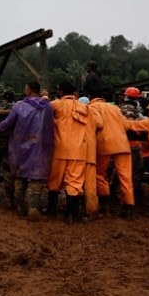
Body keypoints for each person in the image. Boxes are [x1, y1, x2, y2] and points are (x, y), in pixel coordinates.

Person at [0, 81, 54, 221]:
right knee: (36, 179)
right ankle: (33, 208)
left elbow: (5, 125)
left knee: (20, 177)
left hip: (20, 148)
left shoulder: (19, 106)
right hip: (41, 148)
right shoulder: (49, 107)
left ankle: (20, 207)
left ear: (29, 90)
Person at [47, 81, 96, 223]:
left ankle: (51, 211)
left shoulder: (55, 104)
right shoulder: (85, 108)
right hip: (79, 152)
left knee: (54, 181)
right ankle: (72, 215)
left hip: (59, 150)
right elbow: (93, 128)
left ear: (61, 92)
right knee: (74, 183)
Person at [87, 86, 136, 217]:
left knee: (100, 174)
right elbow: (126, 125)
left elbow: (98, 124)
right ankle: (128, 207)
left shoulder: (92, 108)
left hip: (104, 144)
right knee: (125, 176)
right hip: (122, 144)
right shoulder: (115, 108)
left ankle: (105, 206)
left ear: (90, 97)